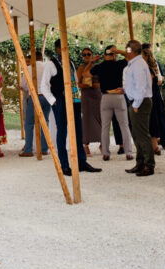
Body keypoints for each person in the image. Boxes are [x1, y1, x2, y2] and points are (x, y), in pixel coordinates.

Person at [48, 40, 101, 175]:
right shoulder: (51, 64)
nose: (66, 50)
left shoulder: (70, 63)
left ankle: (82, 162)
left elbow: (75, 82)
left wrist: (78, 96)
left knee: (78, 131)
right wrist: (53, 101)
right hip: (60, 101)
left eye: (67, 47)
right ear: (57, 49)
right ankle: (64, 165)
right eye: (63, 48)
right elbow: (44, 85)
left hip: (75, 100)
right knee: (62, 132)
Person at [92, 45, 134, 161]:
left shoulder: (99, 66)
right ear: (114, 55)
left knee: (105, 127)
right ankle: (128, 152)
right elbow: (129, 55)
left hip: (105, 97)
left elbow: (88, 73)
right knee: (124, 125)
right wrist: (119, 51)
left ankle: (105, 153)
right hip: (118, 97)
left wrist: (92, 61)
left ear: (104, 55)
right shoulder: (119, 64)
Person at [123, 40, 154, 176]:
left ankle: (149, 165)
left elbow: (141, 87)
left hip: (139, 102)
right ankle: (140, 162)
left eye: (127, 50)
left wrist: (136, 104)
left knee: (142, 134)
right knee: (136, 134)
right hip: (136, 101)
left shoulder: (138, 65)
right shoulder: (135, 64)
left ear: (131, 51)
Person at [20, 50, 51, 157]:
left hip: (34, 96)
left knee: (29, 124)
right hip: (47, 96)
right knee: (45, 122)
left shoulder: (29, 68)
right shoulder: (48, 67)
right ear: (42, 58)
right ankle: (44, 148)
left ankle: (28, 149)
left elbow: (23, 85)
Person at [142, 43, 165, 153]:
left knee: (157, 118)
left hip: (152, 95)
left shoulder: (152, 66)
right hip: (153, 94)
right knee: (152, 119)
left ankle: (160, 142)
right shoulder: (149, 67)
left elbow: (158, 80)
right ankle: (154, 143)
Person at [76, 46, 102, 156]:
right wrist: (84, 85)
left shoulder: (98, 67)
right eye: (84, 54)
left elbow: (102, 80)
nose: (86, 56)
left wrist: (97, 85)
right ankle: (85, 145)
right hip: (86, 94)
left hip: (97, 94)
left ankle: (102, 143)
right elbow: (78, 83)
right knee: (86, 120)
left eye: (88, 54)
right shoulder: (81, 68)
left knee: (99, 117)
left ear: (92, 55)